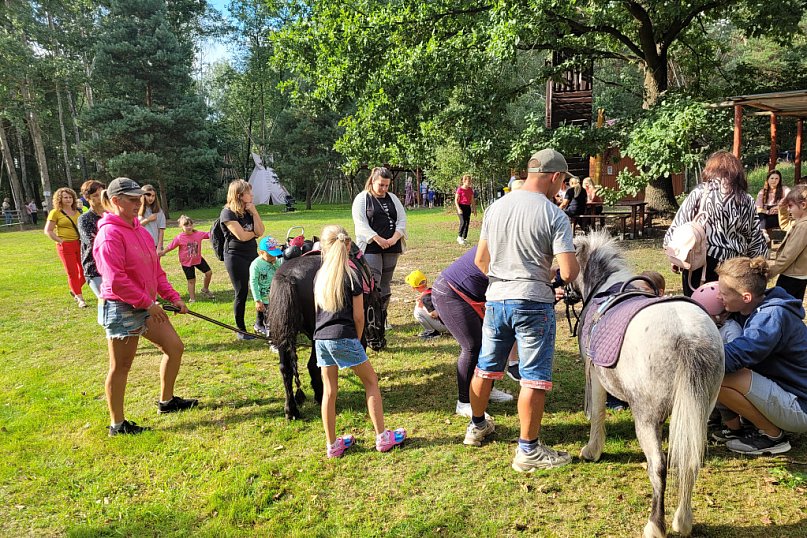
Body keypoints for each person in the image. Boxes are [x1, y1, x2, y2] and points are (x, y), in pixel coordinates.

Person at [465, 148, 579, 473]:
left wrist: (505, 278)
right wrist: (550, 276)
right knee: (534, 377)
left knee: (485, 367)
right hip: (533, 302)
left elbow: (481, 260)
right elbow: (569, 271)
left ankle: (476, 425)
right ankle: (528, 450)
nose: (562, 188)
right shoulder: (554, 215)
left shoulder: (496, 207)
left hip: (497, 299)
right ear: (555, 177)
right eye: (563, 182)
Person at [93, 178, 198, 436]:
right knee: (121, 366)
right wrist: (148, 303)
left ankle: (167, 401)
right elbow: (116, 280)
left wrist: (173, 297)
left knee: (174, 347)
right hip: (121, 307)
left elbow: (155, 271)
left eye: (139, 198)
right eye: (131, 199)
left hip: (146, 305)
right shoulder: (109, 234)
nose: (138, 203)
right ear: (115, 201)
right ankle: (117, 425)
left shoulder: (139, 230)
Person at [313, 224, 406, 458]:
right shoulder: (353, 275)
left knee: (329, 391)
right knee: (371, 382)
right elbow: (358, 316)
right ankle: (383, 437)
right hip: (344, 336)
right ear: (348, 246)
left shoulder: (320, 276)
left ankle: (332, 445)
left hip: (321, 339)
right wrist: (357, 339)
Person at [711, 256, 807, 455]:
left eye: (724, 293)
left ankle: (772, 437)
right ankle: (754, 423)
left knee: (716, 375)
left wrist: (693, 360)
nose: (718, 297)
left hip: (801, 406)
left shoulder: (769, 317)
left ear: (746, 297)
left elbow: (740, 353)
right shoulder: (755, 306)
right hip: (789, 392)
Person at [664, 150, 767, 296]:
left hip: (700, 261)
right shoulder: (746, 199)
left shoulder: (700, 192)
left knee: (697, 305)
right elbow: (754, 238)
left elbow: (679, 225)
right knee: (728, 306)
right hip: (734, 267)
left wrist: (676, 256)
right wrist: (756, 265)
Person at [431, 245, 517, 418]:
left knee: (491, 343)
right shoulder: (502, 240)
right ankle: (464, 402)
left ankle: (486, 389)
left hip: (475, 295)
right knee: (472, 346)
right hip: (451, 292)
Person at [351, 166, 407, 329]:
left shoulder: (393, 198)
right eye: (381, 185)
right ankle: (371, 318)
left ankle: (383, 317)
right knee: (373, 284)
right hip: (371, 248)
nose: (384, 189)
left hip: (392, 246)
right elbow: (360, 224)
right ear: (372, 181)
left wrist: (394, 238)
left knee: (386, 283)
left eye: (386, 185)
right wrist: (377, 239)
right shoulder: (362, 199)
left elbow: (402, 220)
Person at [220, 179, 265, 340]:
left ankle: (260, 323)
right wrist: (254, 233)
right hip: (235, 256)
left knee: (260, 287)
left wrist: (255, 213)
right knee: (242, 292)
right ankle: (241, 330)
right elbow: (242, 236)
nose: (252, 195)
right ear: (239, 195)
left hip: (251, 253)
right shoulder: (227, 213)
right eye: (248, 192)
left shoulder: (249, 210)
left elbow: (261, 231)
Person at [44, 187, 87, 308]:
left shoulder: (78, 211)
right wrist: (60, 241)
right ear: (59, 199)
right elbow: (48, 230)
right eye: (65, 197)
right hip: (65, 245)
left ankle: (74, 289)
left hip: (80, 244)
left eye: (70, 197)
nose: (68, 199)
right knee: (72, 272)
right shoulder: (55, 212)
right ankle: (80, 298)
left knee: (85, 271)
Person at [159, 216, 214, 303]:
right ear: (181, 227)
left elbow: (209, 235)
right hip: (186, 263)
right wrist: (163, 252)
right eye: (186, 225)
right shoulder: (180, 237)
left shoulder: (198, 234)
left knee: (209, 273)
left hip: (198, 259)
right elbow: (171, 246)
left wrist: (217, 230)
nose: (189, 227)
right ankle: (192, 298)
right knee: (191, 280)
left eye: (190, 225)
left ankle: (205, 289)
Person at [768, 185, 807, 302]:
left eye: (790, 206)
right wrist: (782, 208)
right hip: (798, 275)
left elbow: (788, 255)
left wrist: (770, 273)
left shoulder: (803, 227)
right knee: (792, 307)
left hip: (791, 277)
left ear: (803, 205)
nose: (789, 209)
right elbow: (785, 225)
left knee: (781, 306)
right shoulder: (800, 222)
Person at [77, 180, 106, 298]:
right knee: (105, 300)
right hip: (94, 268)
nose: (100, 198)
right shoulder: (84, 219)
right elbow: (92, 241)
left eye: (102, 194)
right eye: (95, 195)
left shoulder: (112, 215)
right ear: (87, 198)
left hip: (115, 266)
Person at [249, 236, 284, 335]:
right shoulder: (256, 265)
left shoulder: (276, 261)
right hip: (264, 297)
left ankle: (264, 326)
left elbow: (280, 271)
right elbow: (253, 282)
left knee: (275, 315)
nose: (273, 257)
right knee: (268, 318)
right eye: (270, 255)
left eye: (274, 255)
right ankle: (270, 336)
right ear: (261, 252)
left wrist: (275, 263)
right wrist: (257, 300)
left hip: (275, 294)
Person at [404, 269, 447, 340]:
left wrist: (423, 307)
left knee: (418, 311)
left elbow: (435, 314)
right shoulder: (433, 290)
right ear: (426, 281)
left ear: (413, 288)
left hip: (444, 325)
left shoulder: (426, 298)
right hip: (450, 322)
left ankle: (432, 332)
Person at [755, 169, 789, 237]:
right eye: (772, 178)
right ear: (768, 179)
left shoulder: (784, 189)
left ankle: (762, 233)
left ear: (779, 180)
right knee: (760, 215)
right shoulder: (762, 192)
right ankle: (763, 232)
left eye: (776, 178)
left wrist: (778, 207)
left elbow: (791, 197)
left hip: (778, 215)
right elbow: (757, 208)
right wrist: (768, 212)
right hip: (765, 214)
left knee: (767, 220)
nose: (774, 180)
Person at [138, 184, 166, 251]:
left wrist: (160, 246)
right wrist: (148, 220)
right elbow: (134, 227)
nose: (151, 198)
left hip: (154, 245)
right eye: (148, 195)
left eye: (153, 196)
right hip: (140, 245)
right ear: (142, 195)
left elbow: (161, 230)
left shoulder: (158, 211)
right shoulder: (136, 209)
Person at [455, 174, 476, 245]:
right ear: (464, 181)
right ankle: (459, 237)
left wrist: (474, 209)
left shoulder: (470, 190)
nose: (470, 182)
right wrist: (458, 209)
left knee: (467, 223)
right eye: (468, 181)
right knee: (463, 222)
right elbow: (456, 200)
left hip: (467, 207)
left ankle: (464, 238)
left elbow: (472, 200)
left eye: (470, 181)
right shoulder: (460, 189)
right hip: (461, 207)